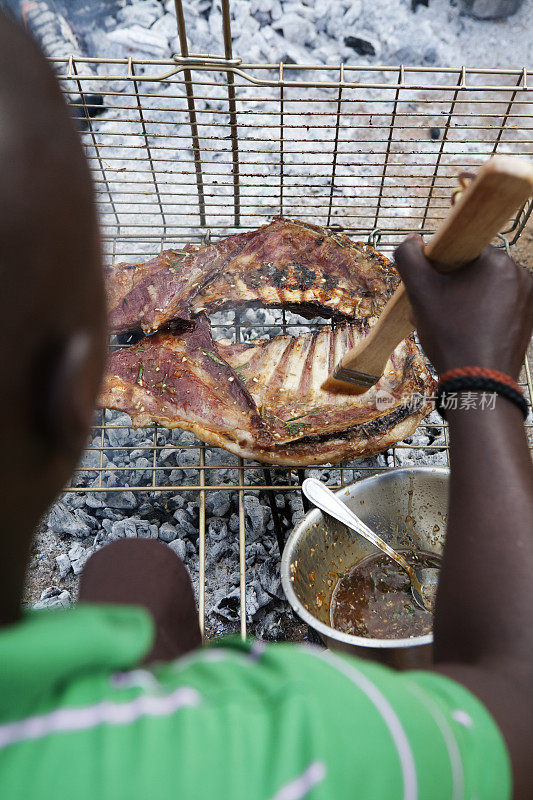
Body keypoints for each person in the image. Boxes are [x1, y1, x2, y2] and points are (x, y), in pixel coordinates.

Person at [0, 11, 532, 800]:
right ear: (66, 395)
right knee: (141, 570)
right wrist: (482, 380)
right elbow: (516, 701)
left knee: (133, 565)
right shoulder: (290, 746)